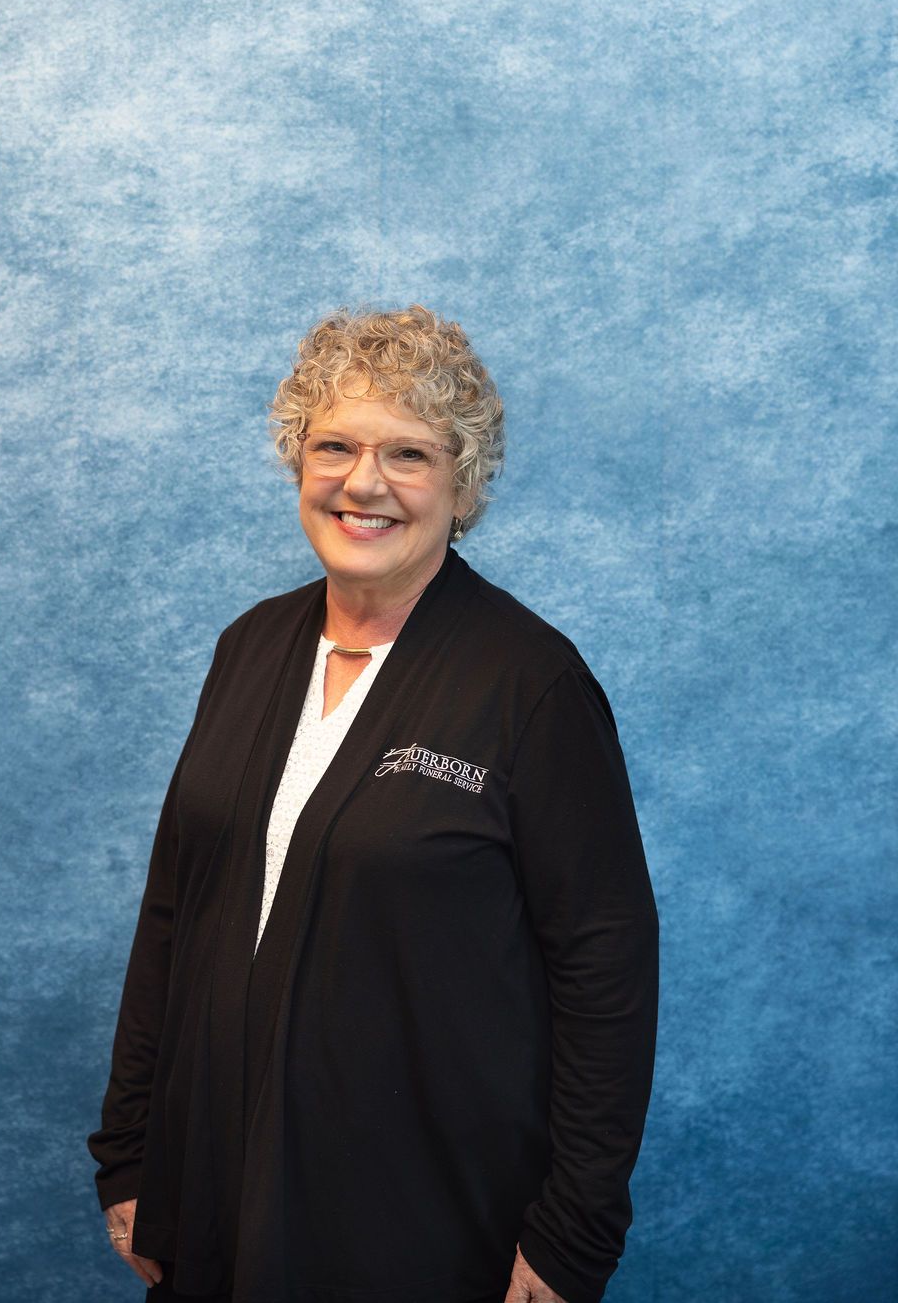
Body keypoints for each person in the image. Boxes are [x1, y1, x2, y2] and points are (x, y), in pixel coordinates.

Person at [87, 305, 659, 1303]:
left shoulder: (530, 685)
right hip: (213, 1188)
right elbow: (172, 914)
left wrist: (573, 1227)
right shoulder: (251, 647)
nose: (362, 482)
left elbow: (604, 966)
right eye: (335, 446)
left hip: (423, 1217)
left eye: (408, 453)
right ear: (297, 460)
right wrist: (131, 1152)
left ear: (462, 480)